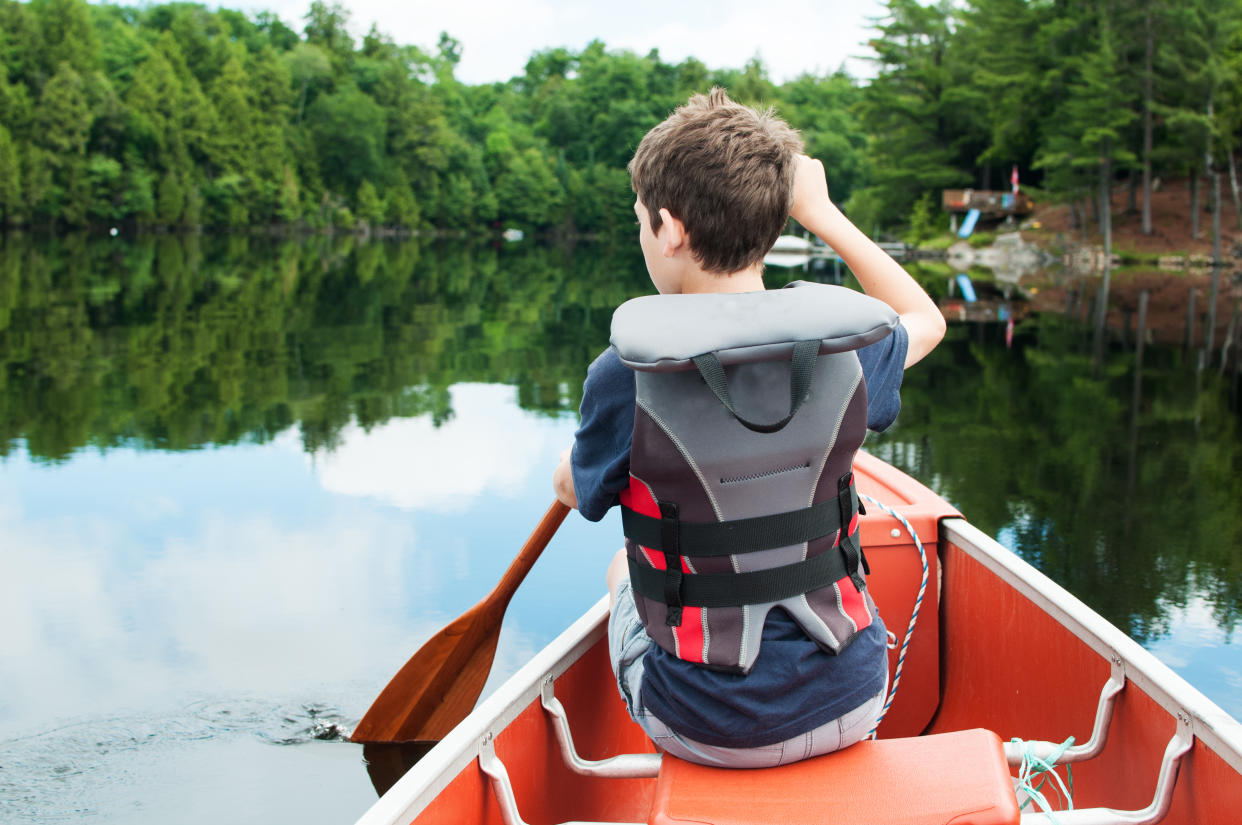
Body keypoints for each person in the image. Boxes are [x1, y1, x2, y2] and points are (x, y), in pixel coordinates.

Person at [551, 88, 945, 768]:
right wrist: (821, 213)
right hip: (857, 697)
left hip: (709, 727)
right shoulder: (846, 345)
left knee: (622, 566)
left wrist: (575, 467)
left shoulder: (626, 373)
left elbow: (572, 489)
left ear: (669, 229)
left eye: (641, 221)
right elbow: (927, 318)